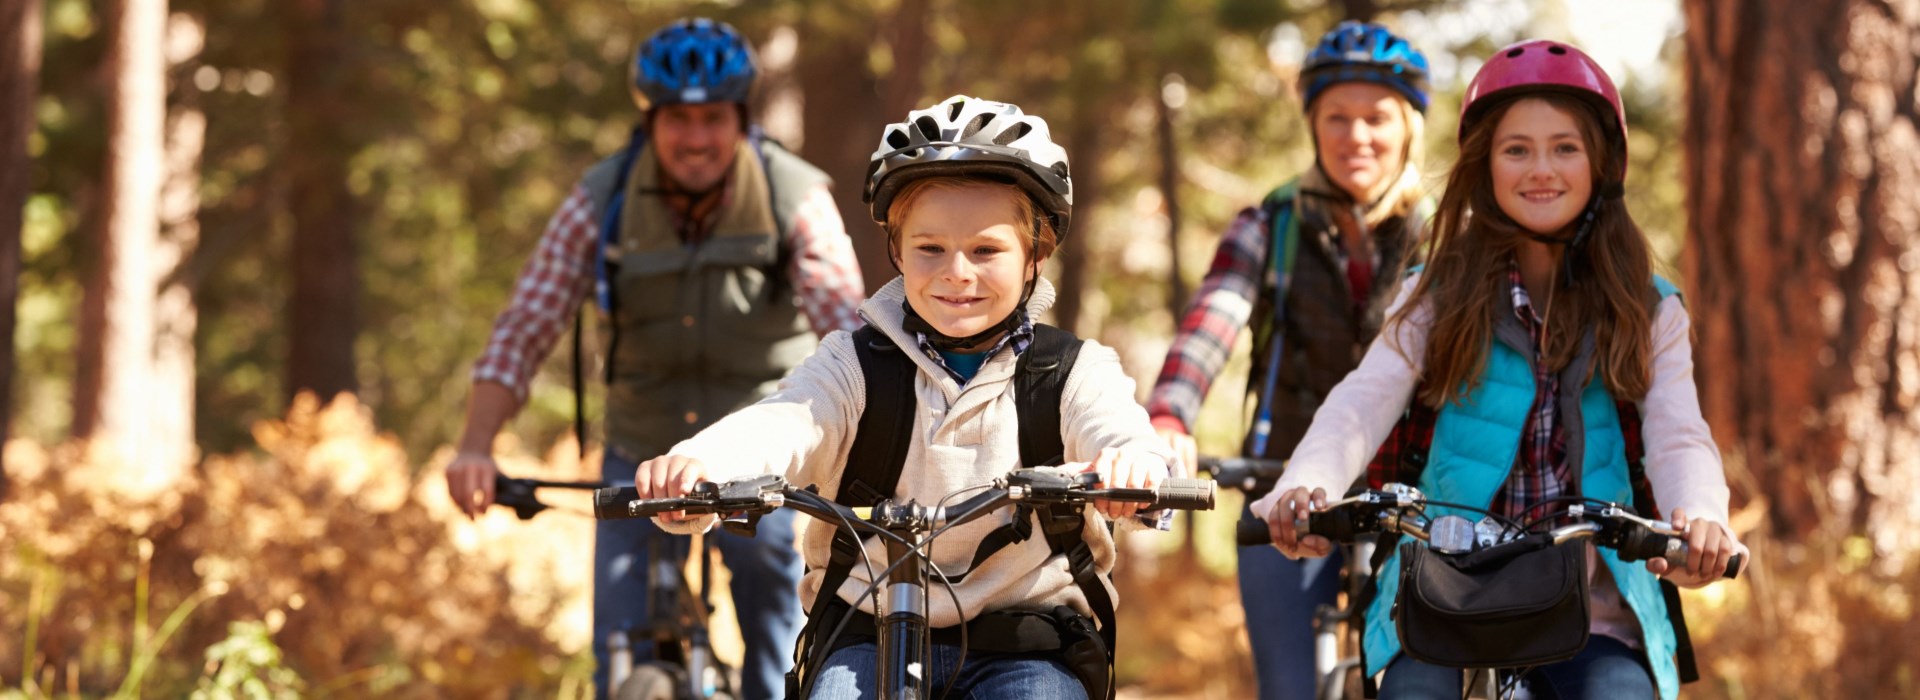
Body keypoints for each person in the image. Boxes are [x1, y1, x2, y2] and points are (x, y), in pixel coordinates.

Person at [634, 95, 1175, 699]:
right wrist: (704, 464)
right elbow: (788, 420)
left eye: (987, 250)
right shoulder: (855, 364)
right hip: (865, 633)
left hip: (1027, 641)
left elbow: (1121, 434)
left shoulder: (1070, 372)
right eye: (930, 248)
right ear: (897, 251)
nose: (957, 272)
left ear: (1035, 257)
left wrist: (1134, 466)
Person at [1259, 40, 1748, 700]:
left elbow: (1678, 433)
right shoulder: (1434, 292)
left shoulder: (1648, 307)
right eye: (1516, 149)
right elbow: (1362, 401)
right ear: (1484, 165)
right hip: (1441, 592)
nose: (1540, 168)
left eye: (1565, 147)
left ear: (1602, 162)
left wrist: (1701, 516)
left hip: (1590, 601)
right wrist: (1307, 483)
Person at [442, 18, 865, 700]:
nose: (696, 139)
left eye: (713, 119)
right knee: (617, 652)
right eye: (678, 120)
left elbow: (847, 326)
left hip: (754, 452)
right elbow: (526, 323)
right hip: (638, 447)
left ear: (741, 118)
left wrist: (869, 453)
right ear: (649, 121)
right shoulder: (601, 198)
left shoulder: (795, 195)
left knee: (781, 630)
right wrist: (475, 444)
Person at [1144, 21, 1431, 700]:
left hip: (1417, 489)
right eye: (1337, 116)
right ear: (1312, 124)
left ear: (1410, 128)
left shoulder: (1448, 234)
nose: (1355, 135)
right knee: (1289, 688)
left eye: (1376, 118)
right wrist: (1168, 418)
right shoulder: (1269, 225)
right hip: (1283, 485)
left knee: (1419, 680)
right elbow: (1211, 322)